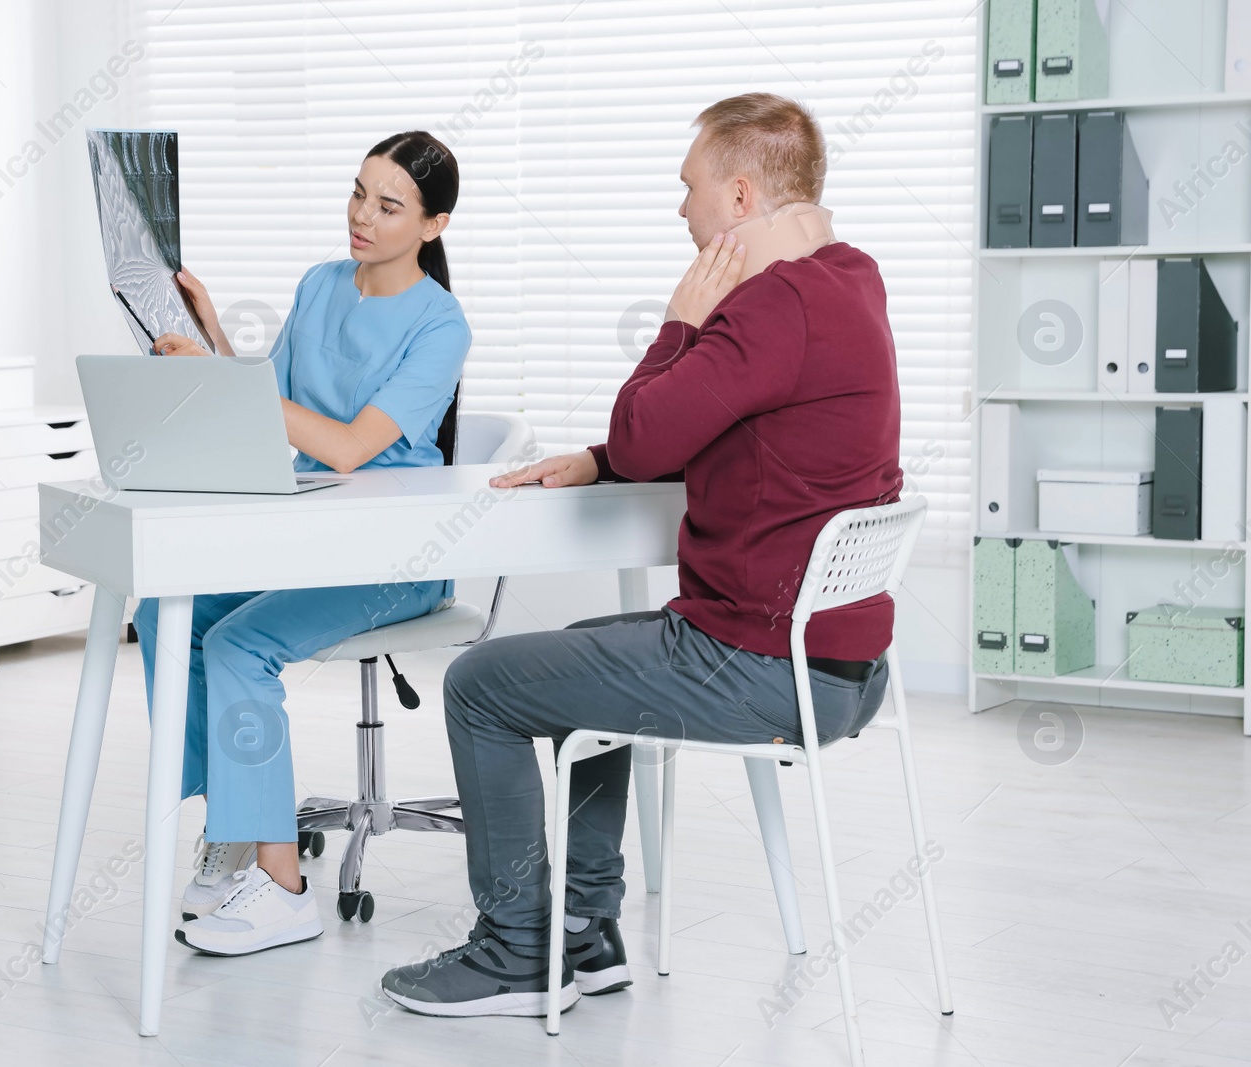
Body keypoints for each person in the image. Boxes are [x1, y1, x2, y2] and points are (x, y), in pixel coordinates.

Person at [378, 92, 902, 1017]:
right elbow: (690, 429)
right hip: (843, 667)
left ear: (740, 197)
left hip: (759, 664)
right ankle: (585, 936)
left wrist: (678, 323)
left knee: (483, 685)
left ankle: (512, 951)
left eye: (691, 187)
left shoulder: (769, 306)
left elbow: (649, 426)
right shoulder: (849, 278)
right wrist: (604, 461)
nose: (682, 209)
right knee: (585, 650)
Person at [133, 130, 471, 957]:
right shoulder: (321, 284)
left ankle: (284, 889)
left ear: (434, 224)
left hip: (397, 556)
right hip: (308, 534)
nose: (362, 216)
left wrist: (233, 378)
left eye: (388, 205)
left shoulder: (441, 324)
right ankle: (239, 825)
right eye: (358, 193)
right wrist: (214, 344)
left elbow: (350, 446)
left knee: (241, 643)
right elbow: (271, 406)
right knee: (163, 610)